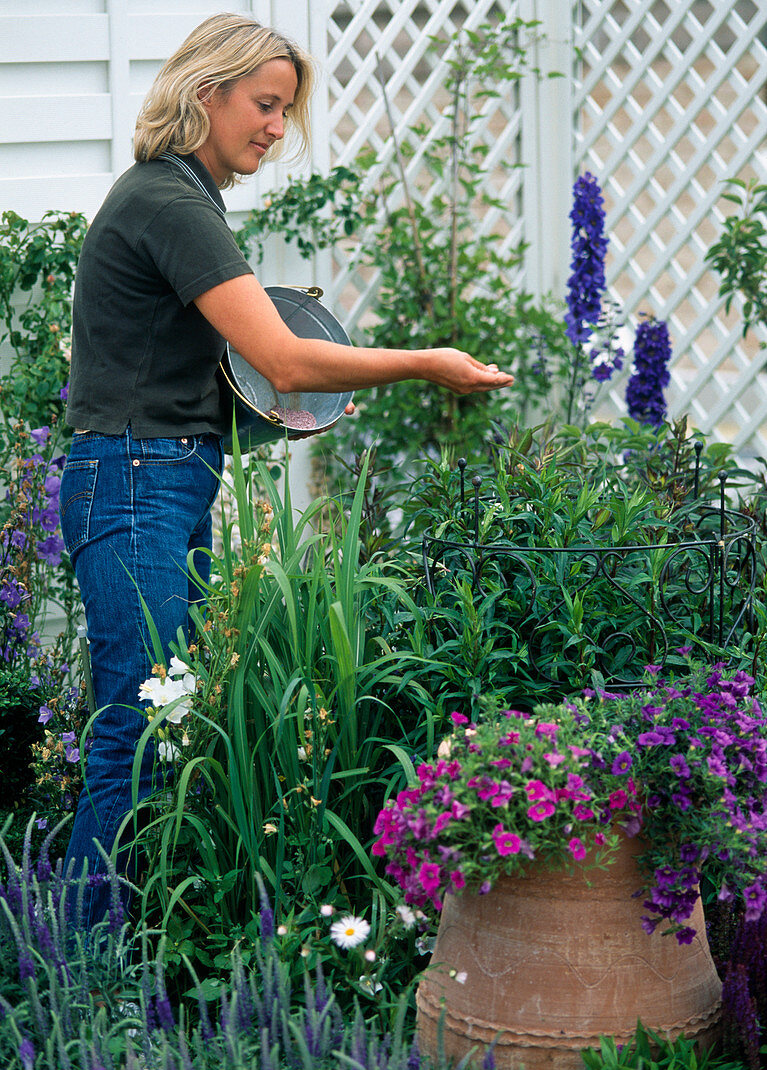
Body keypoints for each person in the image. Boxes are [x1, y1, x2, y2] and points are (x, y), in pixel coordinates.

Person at [59, 12, 514, 928]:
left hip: (159, 474)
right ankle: (77, 968)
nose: (276, 126)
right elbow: (287, 360)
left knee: (161, 719)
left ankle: (116, 945)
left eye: (284, 110)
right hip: (136, 478)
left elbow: (203, 365)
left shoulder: (178, 195)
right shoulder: (169, 201)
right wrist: (426, 360)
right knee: (135, 730)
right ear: (205, 93)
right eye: (264, 105)